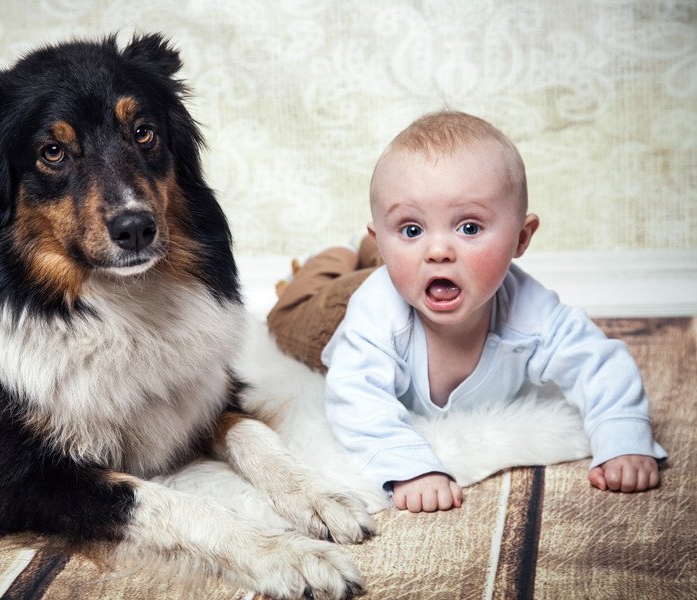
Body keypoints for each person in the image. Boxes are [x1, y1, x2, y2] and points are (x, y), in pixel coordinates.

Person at [267, 111, 667, 513]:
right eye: (411, 229)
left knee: (415, 262)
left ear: (521, 238)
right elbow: (355, 397)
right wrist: (409, 466)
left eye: (469, 227)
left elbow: (597, 363)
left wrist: (623, 438)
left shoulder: (529, 309)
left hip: (406, 273)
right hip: (333, 310)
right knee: (288, 315)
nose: (439, 250)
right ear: (384, 239)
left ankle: (378, 249)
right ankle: (333, 257)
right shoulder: (376, 314)